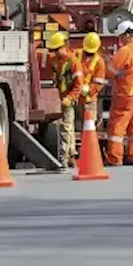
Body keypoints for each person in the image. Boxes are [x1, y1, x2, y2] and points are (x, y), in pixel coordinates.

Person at [105, 20, 133, 166]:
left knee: (117, 127)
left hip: (126, 93)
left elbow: (109, 70)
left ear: (127, 35)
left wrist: (112, 68)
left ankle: (115, 159)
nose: (120, 40)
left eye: (121, 37)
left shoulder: (125, 51)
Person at [45, 31, 84, 167]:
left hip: (70, 98)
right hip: (62, 97)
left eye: (57, 50)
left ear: (64, 46)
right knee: (69, 126)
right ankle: (72, 154)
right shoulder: (56, 61)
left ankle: (64, 156)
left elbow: (79, 85)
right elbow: (56, 78)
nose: (55, 52)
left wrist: (70, 98)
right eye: (53, 50)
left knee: (66, 127)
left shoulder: (73, 62)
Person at [77, 32, 108, 120]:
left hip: (88, 99)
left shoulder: (99, 62)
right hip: (74, 97)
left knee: (89, 124)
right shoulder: (76, 55)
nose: (89, 53)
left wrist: (88, 90)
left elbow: (99, 83)